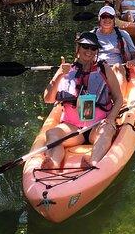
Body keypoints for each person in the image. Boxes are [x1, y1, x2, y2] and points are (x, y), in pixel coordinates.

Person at [42, 31, 124, 169]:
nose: (89, 51)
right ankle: (53, 163)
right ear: (78, 48)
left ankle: (92, 162)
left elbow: (119, 98)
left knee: (107, 129)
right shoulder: (66, 70)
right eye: (85, 46)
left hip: (97, 127)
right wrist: (60, 75)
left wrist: (110, 118)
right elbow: (48, 99)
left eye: (93, 48)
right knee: (52, 133)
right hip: (72, 128)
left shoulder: (104, 69)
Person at [93, 5, 135, 95]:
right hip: (97, 69)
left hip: (117, 69)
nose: (107, 20)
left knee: (118, 66)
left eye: (110, 17)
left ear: (114, 19)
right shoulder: (92, 35)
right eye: (104, 17)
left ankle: (119, 99)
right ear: (99, 19)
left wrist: (133, 60)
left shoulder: (123, 34)